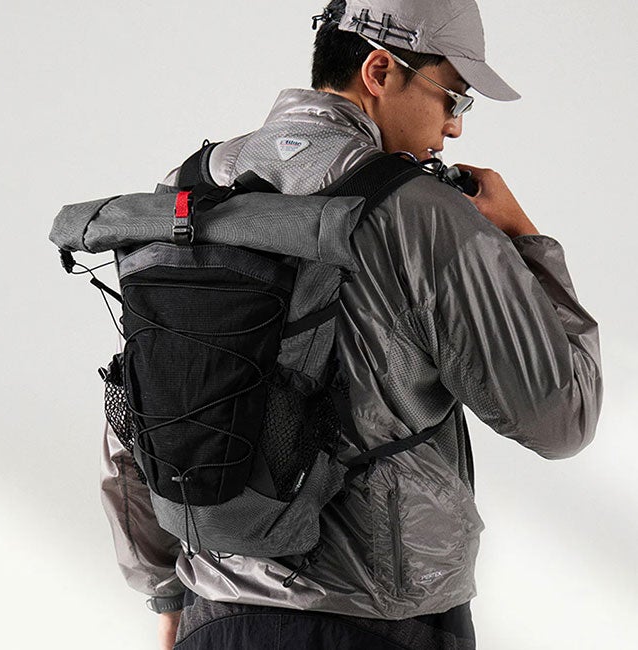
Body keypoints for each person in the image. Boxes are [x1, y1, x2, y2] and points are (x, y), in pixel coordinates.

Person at [100, 1, 604, 648]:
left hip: (214, 614)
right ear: (379, 71)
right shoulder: (425, 214)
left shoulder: (189, 188)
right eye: (453, 96)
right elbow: (561, 417)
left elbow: (143, 398)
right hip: (381, 622)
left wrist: (166, 590)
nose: (453, 127)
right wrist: (525, 238)